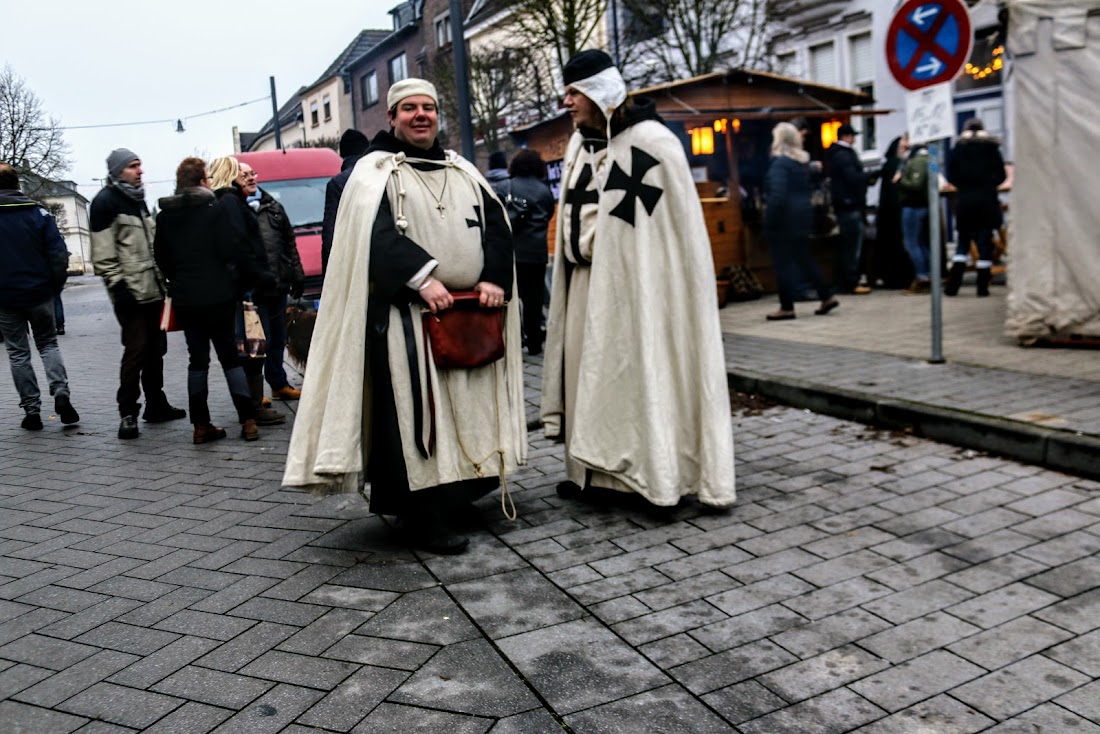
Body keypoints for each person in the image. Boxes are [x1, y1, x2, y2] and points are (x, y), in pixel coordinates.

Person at [283, 78, 527, 555]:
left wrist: (494, 277)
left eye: (430, 108)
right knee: (417, 419)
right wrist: (422, 277)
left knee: (465, 409)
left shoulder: (462, 170)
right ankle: (422, 516)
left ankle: (460, 495)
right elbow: (367, 236)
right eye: (410, 108)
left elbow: (497, 227)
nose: (422, 115)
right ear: (391, 117)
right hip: (405, 320)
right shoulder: (374, 173)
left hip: (470, 314)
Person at [541, 50, 735, 509]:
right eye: (566, 92)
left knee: (639, 372)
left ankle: (651, 476)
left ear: (598, 93)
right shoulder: (577, 143)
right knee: (586, 378)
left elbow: (670, 239)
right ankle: (591, 476)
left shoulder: (652, 143)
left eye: (574, 93)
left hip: (638, 291)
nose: (566, 102)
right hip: (586, 287)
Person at [153, 157, 261, 442]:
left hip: (187, 299)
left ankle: (201, 426)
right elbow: (232, 249)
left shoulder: (165, 217)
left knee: (197, 361)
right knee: (230, 358)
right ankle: (248, 420)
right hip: (219, 296)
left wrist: (178, 280)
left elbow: (161, 257)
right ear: (203, 182)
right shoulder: (214, 210)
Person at [90, 148, 186, 439]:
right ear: (118, 171)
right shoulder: (104, 203)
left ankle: (156, 405)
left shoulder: (139, 201)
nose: (140, 171)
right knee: (136, 351)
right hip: (129, 293)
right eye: (133, 166)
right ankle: (127, 413)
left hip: (153, 289)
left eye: (140, 165)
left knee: (157, 349)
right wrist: (120, 289)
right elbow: (104, 257)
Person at [0, 161, 80, 431]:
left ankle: (32, 412)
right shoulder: (39, 214)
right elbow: (58, 254)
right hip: (39, 293)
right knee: (48, 345)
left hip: (6, 298)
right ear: (17, 184)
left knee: (18, 354)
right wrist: (53, 287)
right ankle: (61, 394)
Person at [207, 156, 285, 427]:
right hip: (246, 290)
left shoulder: (217, 202)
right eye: (242, 174)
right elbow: (241, 246)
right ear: (231, 174)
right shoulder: (230, 203)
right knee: (252, 350)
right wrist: (262, 278)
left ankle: (251, 409)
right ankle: (252, 411)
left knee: (247, 349)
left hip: (235, 288)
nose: (248, 178)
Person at [241, 160, 306, 400]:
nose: (250, 178)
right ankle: (254, 391)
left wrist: (297, 273)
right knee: (258, 341)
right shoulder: (238, 209)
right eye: (244, 175)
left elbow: (290, 242)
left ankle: (278, 384)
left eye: (252, 173)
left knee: (278, 337)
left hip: (278, 284)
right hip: (254, 288)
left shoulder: (274, 206)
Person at [761, 123, 838, 321]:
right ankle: (826, 295)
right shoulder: (800, 164)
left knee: (783, 264)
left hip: (785, 221)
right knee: (804, 258)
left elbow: (777, 196)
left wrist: (769, 222)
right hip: (802, 217)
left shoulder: (780, 164)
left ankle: (787, 307)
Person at [494, 149, 554, 355]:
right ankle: (535, 342)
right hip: (537, 254)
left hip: (512, 252)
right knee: (534, 300)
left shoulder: (504, 187)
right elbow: (548, 214)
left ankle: (514, 340)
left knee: (510, 298)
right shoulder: (544, 190)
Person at [946, 118, 1007, 297]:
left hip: (965, 201)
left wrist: (964, 185)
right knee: (984, 244)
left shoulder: (958, 149)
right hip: (987, 201)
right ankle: (982, 287)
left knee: (963, 243)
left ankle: (953, 286)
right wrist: (989, 184)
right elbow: (1001, 175)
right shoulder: (991, 148)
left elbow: (952, 176)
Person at [827, 123, 876, 294]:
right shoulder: (844, 155)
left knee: (849, 244)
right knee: (852, 245)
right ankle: (850, 281)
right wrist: (870, 176)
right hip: (850, 204)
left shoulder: (837, 154)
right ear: (846, 136)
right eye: (852, 136)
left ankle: (846, 280)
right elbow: (852, 178)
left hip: (847, 204)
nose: (854, 139)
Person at [322, 129, 372, 276]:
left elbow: (331, 233)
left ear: (342, 155)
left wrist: (328, 275)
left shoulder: (337, 184)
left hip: (353, 262)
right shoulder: (381, 175)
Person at [873, 134, 916, 289]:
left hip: (891, 211)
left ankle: (895, 276)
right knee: (899, 244)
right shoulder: (895, 165)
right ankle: (899, 277)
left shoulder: (894, 164)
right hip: (895, 211)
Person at [895, 143, 933, 295]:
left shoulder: (918, 161)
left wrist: (900, 180)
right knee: (920, 243)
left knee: (911, 243)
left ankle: (922, 277)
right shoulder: (930, 159)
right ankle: (928, 275)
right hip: (922, 205)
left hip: (913, 205)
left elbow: (915, 184)